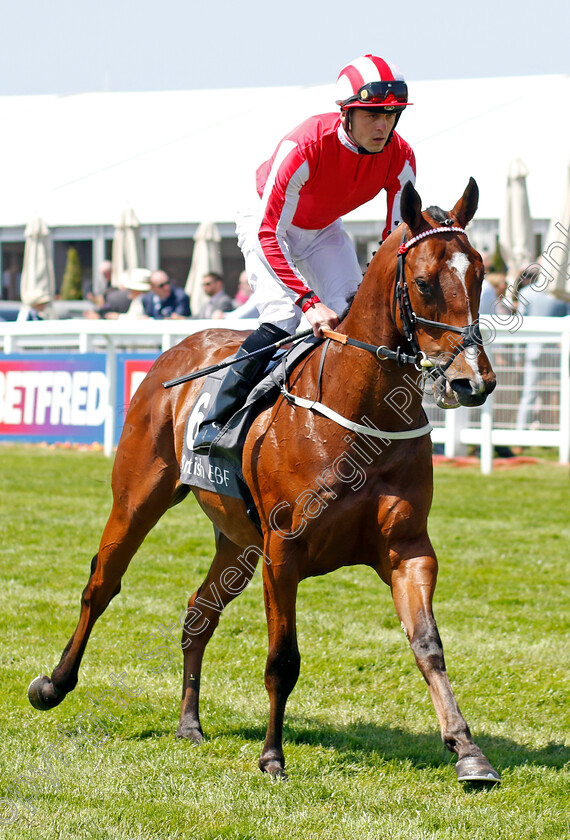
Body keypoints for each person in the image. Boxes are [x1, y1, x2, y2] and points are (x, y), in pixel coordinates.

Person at [192, 53, 416, 453]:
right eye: (371, 114)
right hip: (266, 221)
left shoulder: (401, 156)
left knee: (351, 315)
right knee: (283, 317)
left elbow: (393, 238)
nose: (383, 126)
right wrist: (309, 302)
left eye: (392, 114)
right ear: (346, 113)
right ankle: (215, 420)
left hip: (323, 228)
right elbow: (268, 232)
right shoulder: (305, 145)